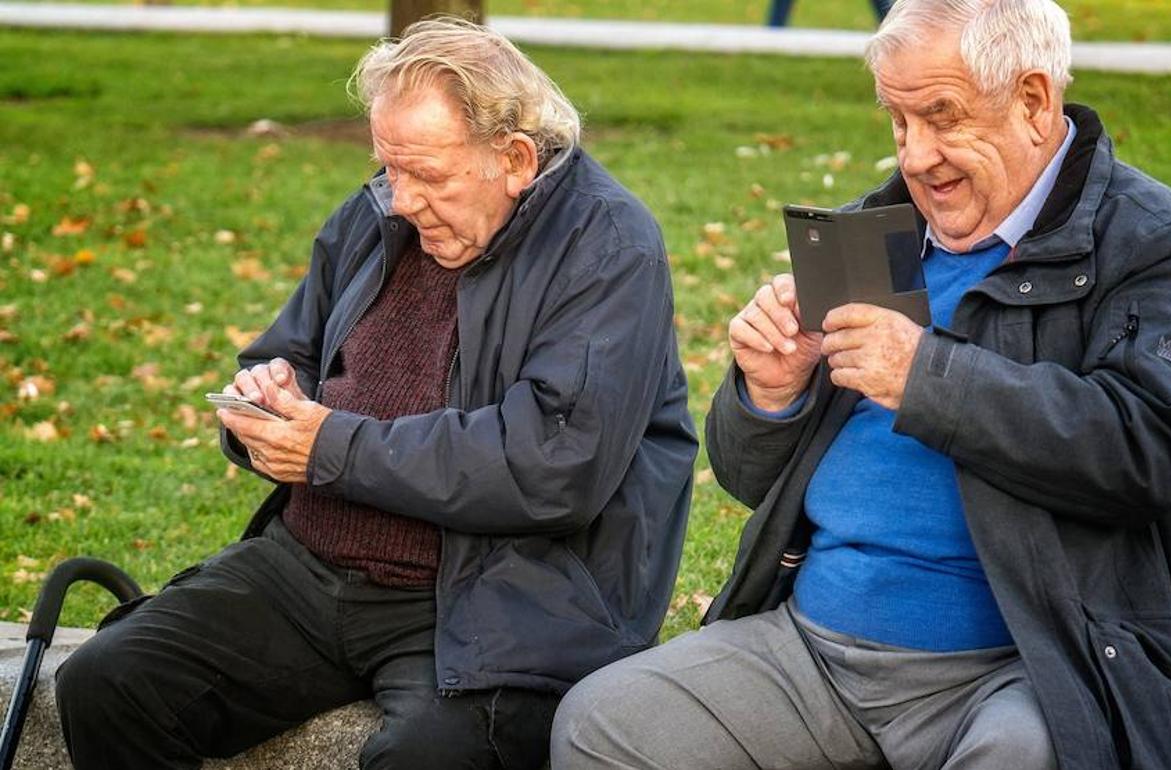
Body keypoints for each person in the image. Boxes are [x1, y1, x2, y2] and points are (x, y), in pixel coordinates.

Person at [552, 0, 1171, 768]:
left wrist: (928, 377)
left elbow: (1152, 452)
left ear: (1034, 101)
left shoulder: (1159, 251)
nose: (917, 157)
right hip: (814, 653)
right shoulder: (874, 232)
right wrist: (769, 397)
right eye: (899, 121)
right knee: (603, 722)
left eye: (943, 118)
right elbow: (750, 479)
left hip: (1029, 666)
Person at [55, 18, 698, 770]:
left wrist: (328, 445)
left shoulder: (607, 243)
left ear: (515, 159)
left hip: (497, 595)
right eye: (388, 166)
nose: (399, 199)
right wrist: (262, 405)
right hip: (311, 565)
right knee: (107, 682)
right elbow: (285, 351)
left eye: (427, 175)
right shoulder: (374, 213)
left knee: (428, 758)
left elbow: (553, 463)